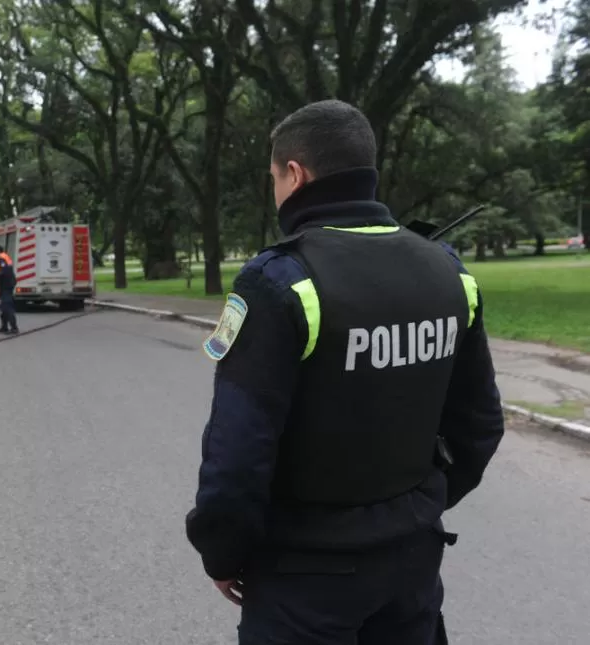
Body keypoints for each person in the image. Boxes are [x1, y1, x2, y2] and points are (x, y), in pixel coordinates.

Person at [186, 99, 505, 645]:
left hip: (306, 577)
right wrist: (417, 506)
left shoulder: (278, 281)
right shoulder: (449, 271)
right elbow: (480, 426)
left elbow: (237, 454)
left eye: (274, 178)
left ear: (294, 173)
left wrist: (223, 551)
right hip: (413, 564)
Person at [0, 243, 18, 334]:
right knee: (3, 308)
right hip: (7, 284)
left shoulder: (2, 257)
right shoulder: (3, 256)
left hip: (6, 285)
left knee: (7, 307)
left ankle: (14, 328)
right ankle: (4, 327)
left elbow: (4, 271)